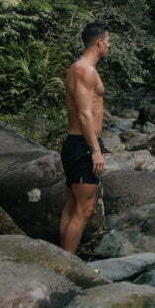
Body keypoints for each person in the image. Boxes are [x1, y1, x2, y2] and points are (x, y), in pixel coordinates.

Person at [59, 21, 110, 254]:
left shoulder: (81, 68)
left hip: (79, 143)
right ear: (99, 42)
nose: (109, 45)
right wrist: (96, 151)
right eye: (108, 41)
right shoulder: (84, 70)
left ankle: (63, 259)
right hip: (82, 144)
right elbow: (84, 112)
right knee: (84, 209)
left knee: (72, 206)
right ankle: (65, 265)